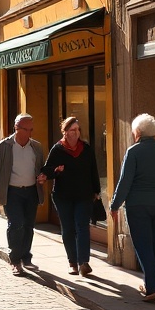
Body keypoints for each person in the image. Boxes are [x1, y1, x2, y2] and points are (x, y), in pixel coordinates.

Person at [110, 113, 155, 302]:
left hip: (137, 205)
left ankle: (153, 287)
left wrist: (114, 204)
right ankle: (150, 283)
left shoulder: (133, 152)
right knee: (152, 243)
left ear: (138, 132)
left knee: (142, 245)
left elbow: (124, 182)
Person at [0, 114, 46, 276]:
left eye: (31, 129)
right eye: (26, 129)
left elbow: (41, 168)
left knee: (28, 226)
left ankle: (26, 256)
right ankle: (15, 260)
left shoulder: (36, 147)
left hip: (31, 191)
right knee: (16, 224)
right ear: (17, 128)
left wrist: (42, 177)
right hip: (12, 192)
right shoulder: (4, 146)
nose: (29, 133)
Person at [42, 117, 102, 276]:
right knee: (68, 229)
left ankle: (84, 262)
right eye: (72, 130)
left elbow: (93, 171)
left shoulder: (86, 149)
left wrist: (96, 190)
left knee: (82, 227)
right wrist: (57, 171)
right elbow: (47, 171)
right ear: (65, 132)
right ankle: (72, 262)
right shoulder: (58, 149)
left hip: (84, 195)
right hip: (63, 196)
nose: (76, 133)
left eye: (77, 129)